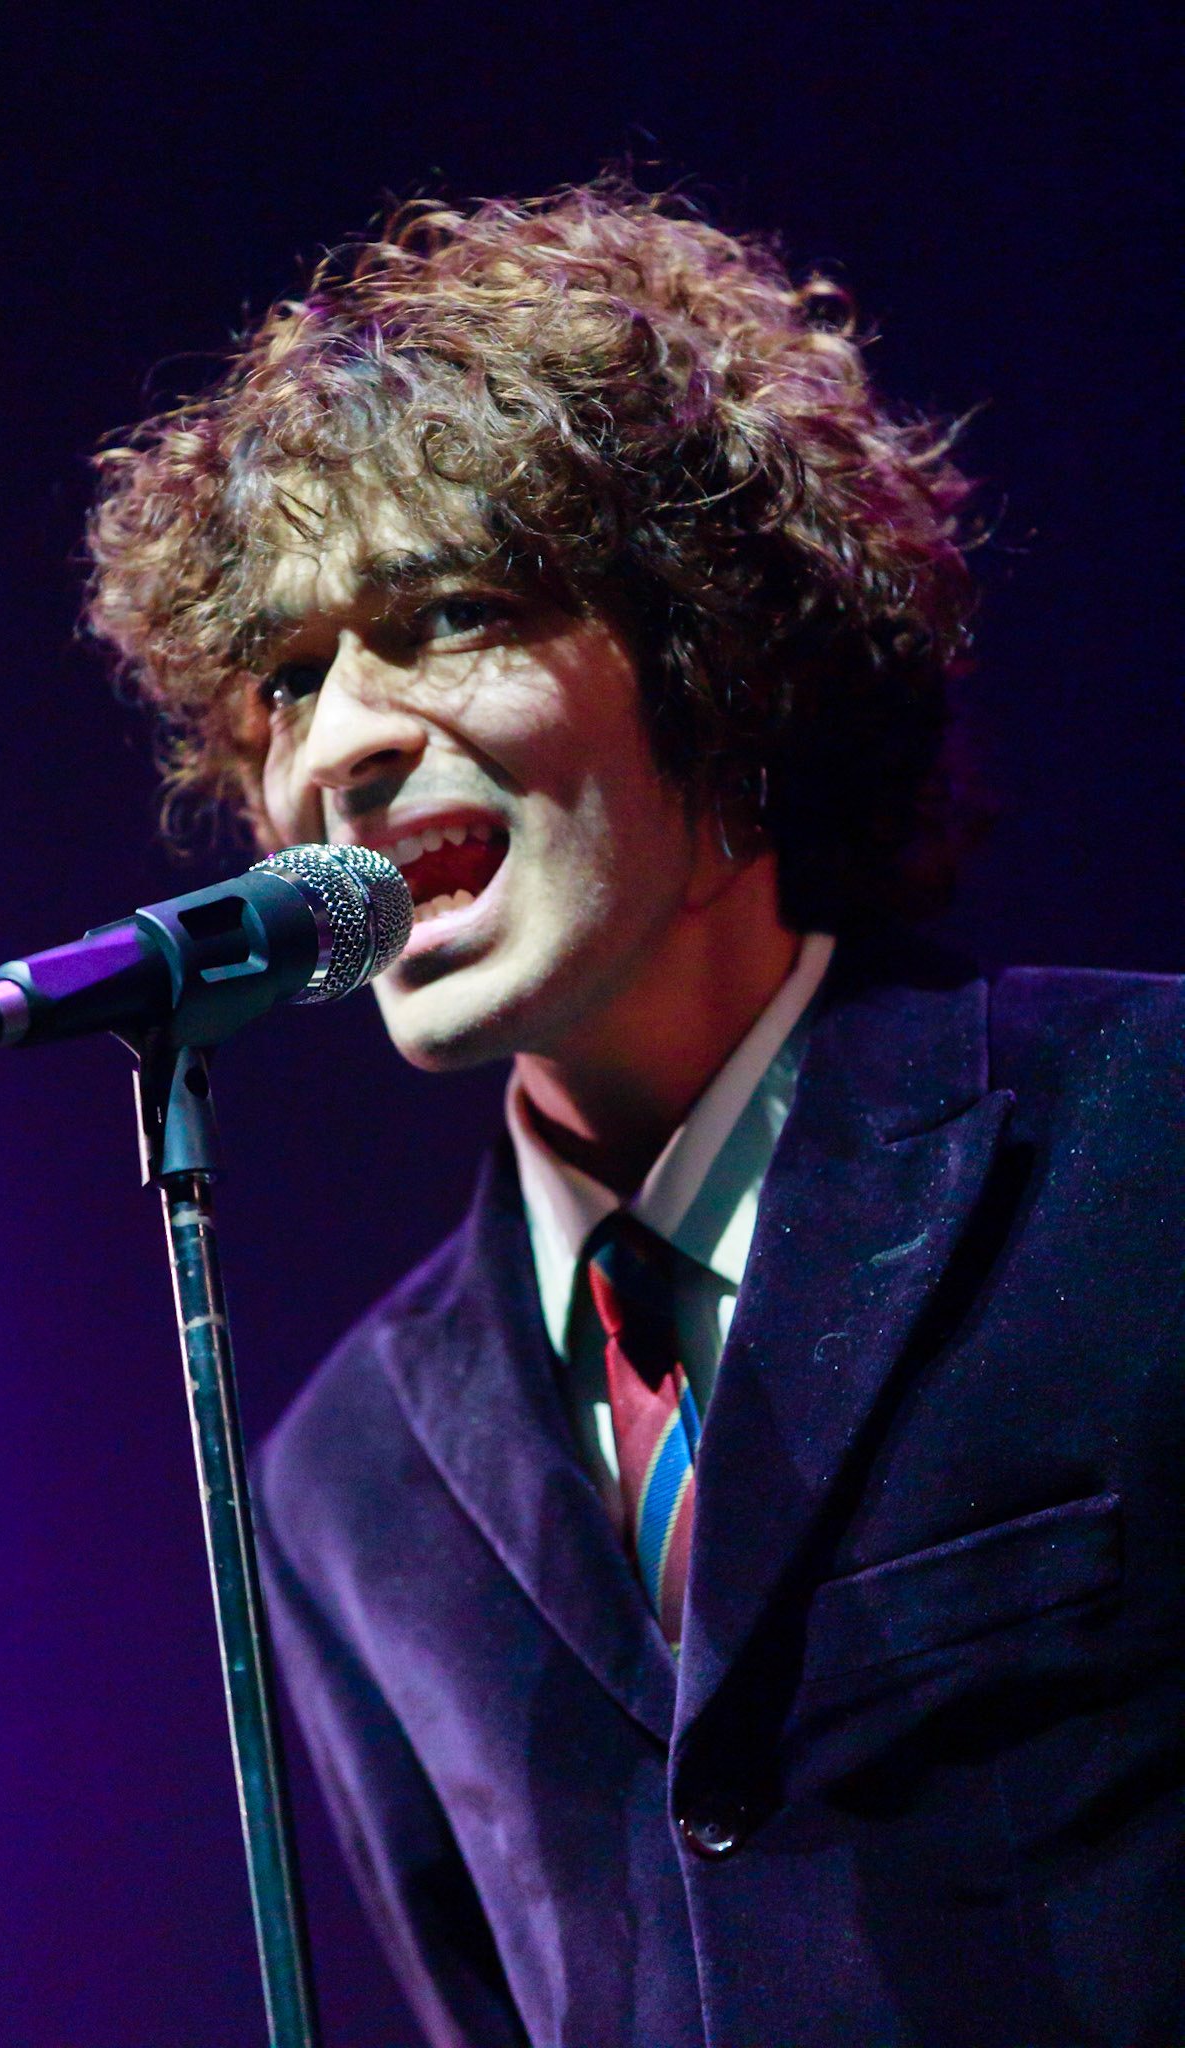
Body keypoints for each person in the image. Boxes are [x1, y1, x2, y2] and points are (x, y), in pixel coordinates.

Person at [86, 184, 1183, 2048]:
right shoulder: (343, 1477)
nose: (337, 741)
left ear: (718, 661)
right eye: (282, 678)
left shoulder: (1139, 1144)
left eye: (445, 614)